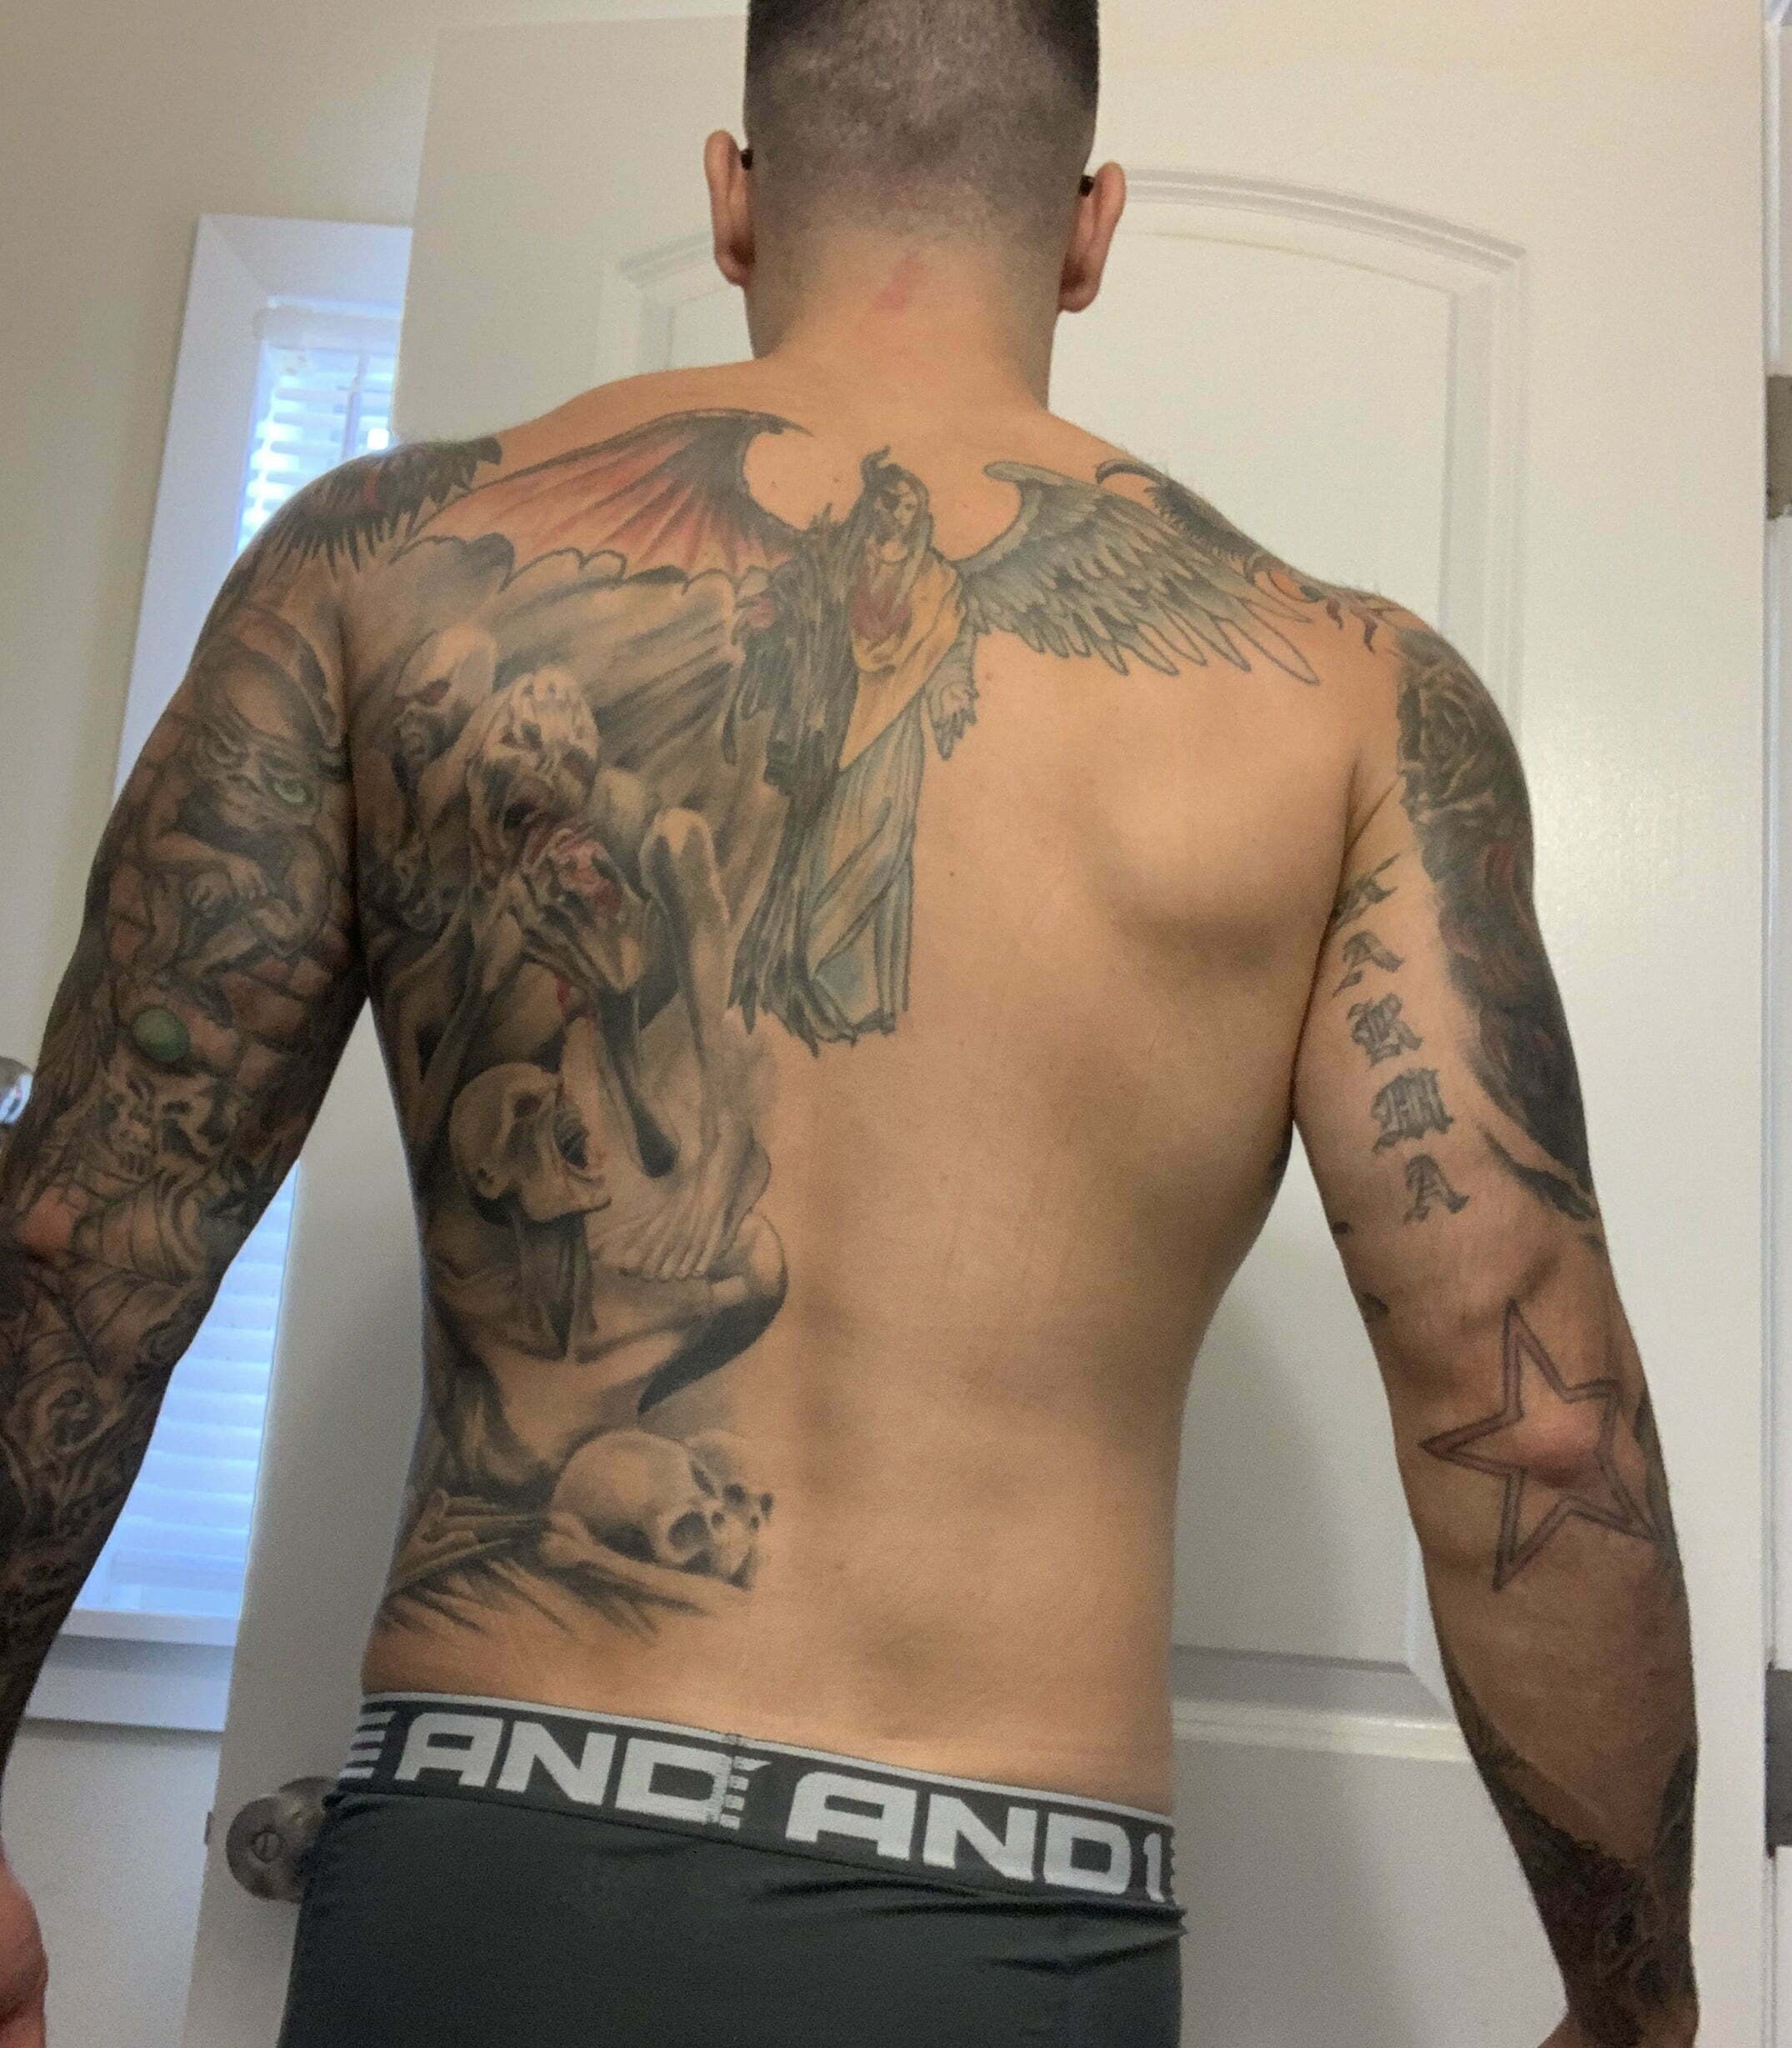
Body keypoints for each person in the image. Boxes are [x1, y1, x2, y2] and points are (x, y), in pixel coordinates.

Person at [0, 0, 1698, 2041]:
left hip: (481, 1853)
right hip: (1003, 1916)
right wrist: (1635, 2006)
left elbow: (84, 1242)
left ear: (732, 197)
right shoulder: (1344, 700)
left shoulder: (376, 570)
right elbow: (1518, 1372)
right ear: (1089, 225)